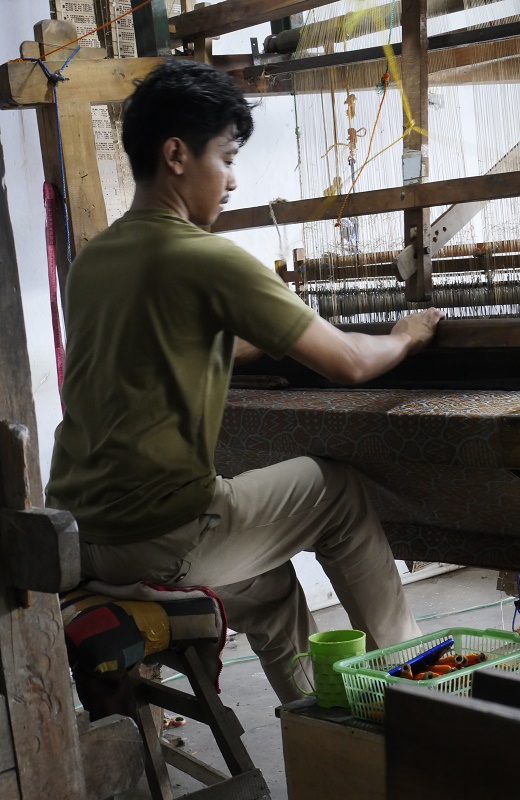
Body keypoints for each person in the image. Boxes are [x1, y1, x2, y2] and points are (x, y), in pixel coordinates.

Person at [45, 59, 444, 703]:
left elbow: (164, 344)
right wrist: (405, 337)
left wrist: (263, 336)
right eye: (226, 158)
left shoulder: (94, 259)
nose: (232, 180)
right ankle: (416, 683)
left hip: (82, 537)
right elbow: (348, 361)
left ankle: (318, 722)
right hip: (161, 536)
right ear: (176, 154)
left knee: (271, 591)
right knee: (337, 491)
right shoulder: (206, 257)